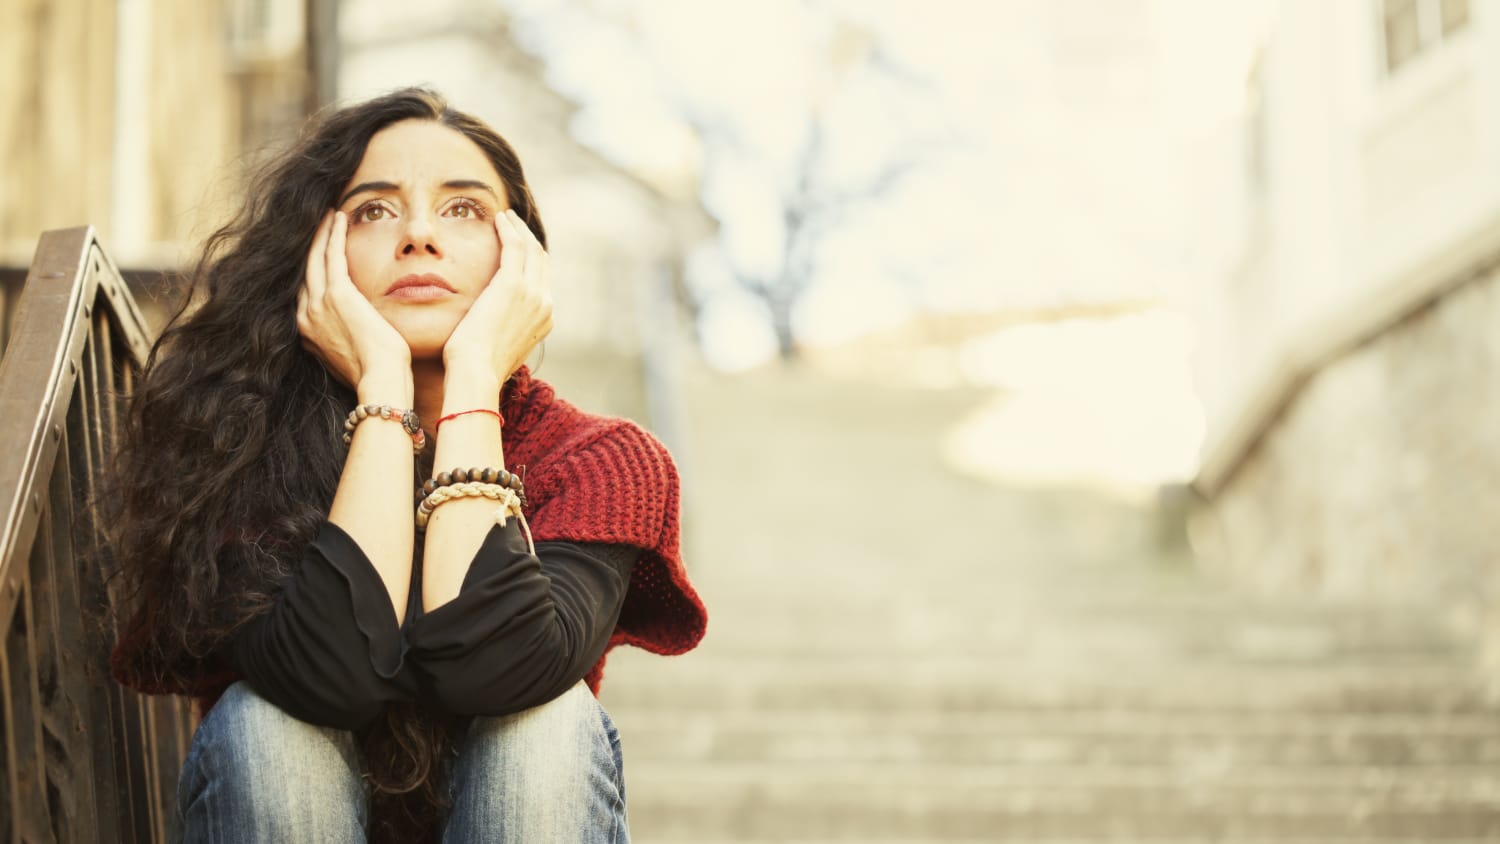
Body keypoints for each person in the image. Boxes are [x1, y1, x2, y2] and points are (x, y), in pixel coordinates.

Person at [104, 87, 707, 843]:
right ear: (315, 253)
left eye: (463, 210)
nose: (419, 234)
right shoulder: (235, 447)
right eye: (374, 210)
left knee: (545, 728)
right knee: (267, 727)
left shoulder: (602, 461)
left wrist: (474, 379)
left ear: (520, 259)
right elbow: (329, 678)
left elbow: (499, 670)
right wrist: (384, 391)